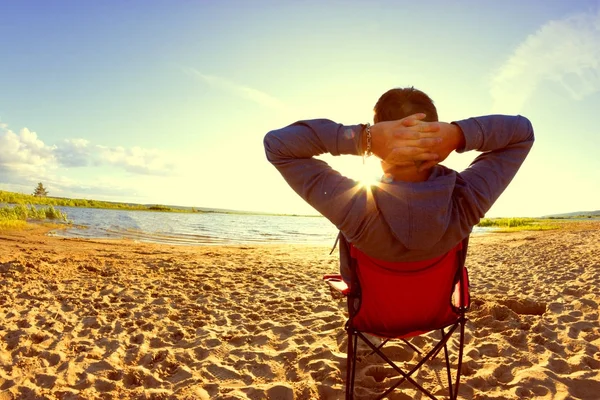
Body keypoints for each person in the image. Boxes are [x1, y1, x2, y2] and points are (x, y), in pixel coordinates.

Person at [263, 87, 534, 281]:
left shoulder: (354, 207)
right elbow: (522, 134)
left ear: (381, 137)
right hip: (437, 314)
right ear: (436, 132)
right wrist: (459, 135)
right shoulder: (466, 201)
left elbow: (278, 145)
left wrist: (363, 139)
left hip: (372, 315)